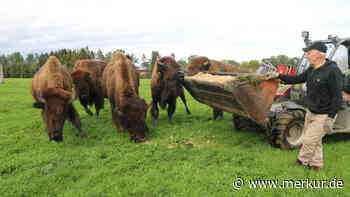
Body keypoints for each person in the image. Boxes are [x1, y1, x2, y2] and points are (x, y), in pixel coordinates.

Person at [272, 42, 343, 170]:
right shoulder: (311, 69)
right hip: (311, 111)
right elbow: (296, 79)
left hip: (324, 114)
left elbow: (337, 96)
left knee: (309, 140)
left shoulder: (333, 71)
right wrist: (278, 75)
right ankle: (316, 165)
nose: (306, 55)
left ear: (319, 54)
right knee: (316, 141)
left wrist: (330, 117)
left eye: (309, 53)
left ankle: (301, 161)